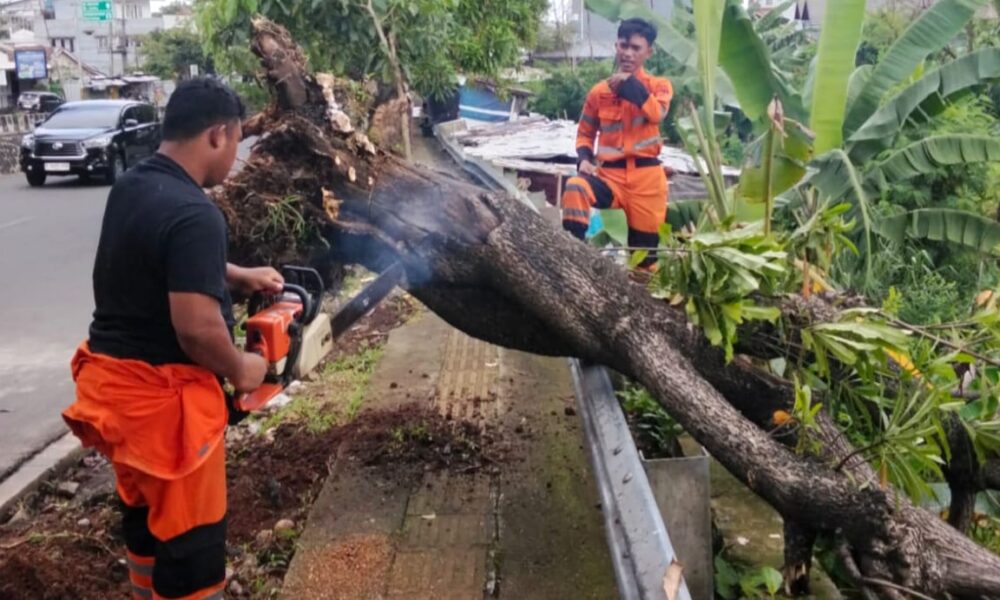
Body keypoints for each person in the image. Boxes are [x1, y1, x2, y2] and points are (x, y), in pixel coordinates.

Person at [62, 77, 282, 600]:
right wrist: (245, 369)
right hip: (169, 418)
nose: (234, 157)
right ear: (217, 134)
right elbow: (198, 331)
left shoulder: (133, 185)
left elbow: (157, 254)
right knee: (191, 554)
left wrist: (235, 274)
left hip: (114, 398)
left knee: (145, 529)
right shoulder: (196, 214)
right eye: (236, 142)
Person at [561, 17, 673, 268]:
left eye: (636, 48)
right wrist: (584, 159)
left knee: (645, 264)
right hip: (610, 177)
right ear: (616, 46)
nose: (628, 53)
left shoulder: (659, 86)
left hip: (647, 181)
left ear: (648, 52)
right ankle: (571, 260)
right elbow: (585, 134)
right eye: (624, 46)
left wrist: (629, 83)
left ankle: (643, 289)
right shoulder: (599, 92)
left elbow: (657, 114)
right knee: (576, 186)